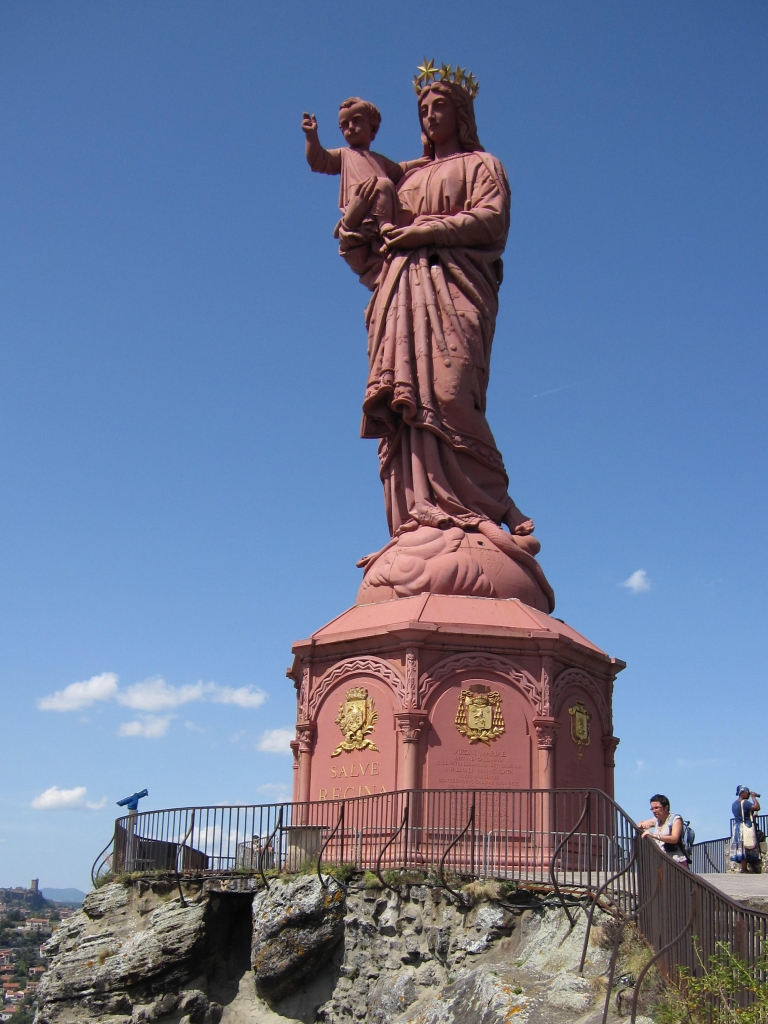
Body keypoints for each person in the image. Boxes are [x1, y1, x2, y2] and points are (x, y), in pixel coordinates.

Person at [334, 73, 541, 561]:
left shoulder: (482, 165)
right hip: (400, 294)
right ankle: (420, 516)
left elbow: (492, 221)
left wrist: (423, 232)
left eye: (439, 108)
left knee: (450, 391)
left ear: (461, 115)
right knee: (407, 408)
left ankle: (494, 509)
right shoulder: (402, 178)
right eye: (423, 110)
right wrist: (352, 226)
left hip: (456, 290)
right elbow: (370, 252)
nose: (429, 117)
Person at [637, 794, 688, 868]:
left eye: (657, 808)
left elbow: (674, 839)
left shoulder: (676, 819)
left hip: (676, 862)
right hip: (661, 861)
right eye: (652, 809)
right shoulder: (657, 820)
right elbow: (640, 823)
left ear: (666, 807)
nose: (654, 811)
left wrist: (654, 836)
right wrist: (642, 824)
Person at [730, 785, 761, 873]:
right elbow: (757, 807)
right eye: (747, 793)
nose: (748, 794)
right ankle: (745, 868)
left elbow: (743, 813)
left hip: (737, 827)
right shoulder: (745, 803)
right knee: (747, 845)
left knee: (741, 847)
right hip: (745, 827)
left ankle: (743, 868)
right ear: (742, 793)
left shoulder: (734, 804)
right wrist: (754, 798)